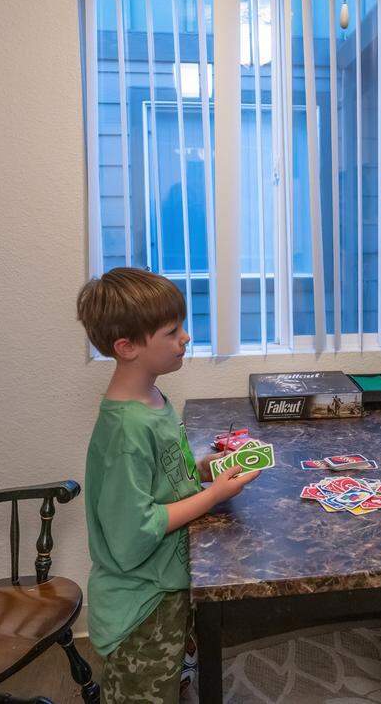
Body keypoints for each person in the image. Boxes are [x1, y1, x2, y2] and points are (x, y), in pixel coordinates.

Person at [76, 268, 260, 704]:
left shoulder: (153, 400)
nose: (186, 338)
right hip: (141, 605)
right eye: (172, 331)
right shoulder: (125, 430)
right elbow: (132, 530)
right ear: (128, 347)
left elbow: (159, 478)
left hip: (165, 585)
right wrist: (212, 496)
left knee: (177, 679)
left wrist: (202, 469)